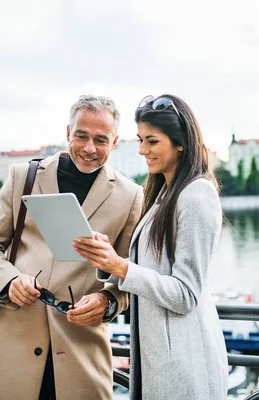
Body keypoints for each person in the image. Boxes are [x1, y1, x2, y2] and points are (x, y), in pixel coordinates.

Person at [0, 95, 143, 400]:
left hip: (81, 353)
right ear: (67, 133)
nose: (89, 148)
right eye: (81, 136)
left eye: (100, 140)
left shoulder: (131, 196)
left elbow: (131, 276)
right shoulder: (23, 176)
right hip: (10, 348)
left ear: (114, 143)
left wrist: (107, 302)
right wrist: (9, 281)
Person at [73, 94, 229, 399]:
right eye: (141, 140)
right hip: (161, 362)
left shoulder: (197, 196)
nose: (142, 150)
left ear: (180, 143)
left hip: (183, 366)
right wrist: (109, 261)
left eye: (152, 141)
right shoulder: (165, 193)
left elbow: (185, 295)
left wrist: (120, 266)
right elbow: (152, 271)